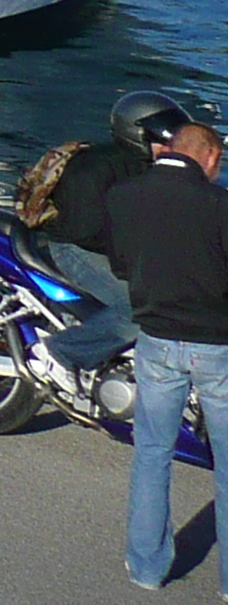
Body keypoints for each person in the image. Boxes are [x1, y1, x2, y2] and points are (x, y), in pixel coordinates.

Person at [106, 113, 228, 591]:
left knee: (153, 454)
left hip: (155, 341)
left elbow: (120, 265)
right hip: (218, 347)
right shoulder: (220, 206)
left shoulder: (122, 197)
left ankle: (147, 567)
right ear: (210, 156)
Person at [20, 91, 187, 375]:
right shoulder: (95, 167)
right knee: (146, 309)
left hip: (115, 250)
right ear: (138, 133)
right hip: (72, 248)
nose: (169, 142)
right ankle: (59, 353)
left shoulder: (152, 168)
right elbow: (86, 230)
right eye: (162, 134)